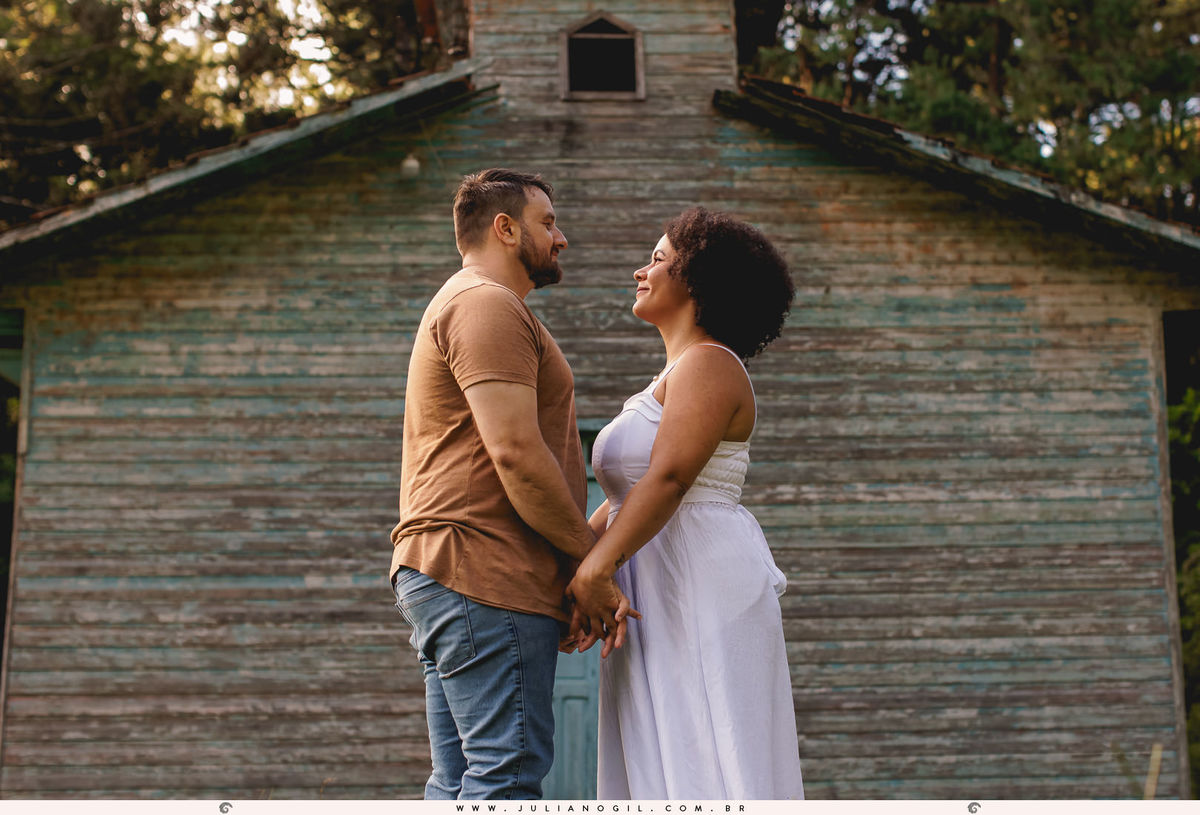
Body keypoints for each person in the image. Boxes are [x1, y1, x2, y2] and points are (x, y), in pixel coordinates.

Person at [390, 168, 616, 799]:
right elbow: (516, 453)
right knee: (505, 777)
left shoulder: (472, 303)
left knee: (460, 781)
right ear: (505, 228)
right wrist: (590, 563)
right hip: (483, 571)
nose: (561, 238)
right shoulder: (485, 304)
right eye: (549, 222)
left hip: (461, 573)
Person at [564, 207, 805, 799]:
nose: (640, 271)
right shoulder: (673, 373)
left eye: (657, 259)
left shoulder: (710, 363)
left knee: (703, 746)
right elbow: (624, 497)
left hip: (696, 578)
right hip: (656, 580)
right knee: (659, 753)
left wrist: (595, 571)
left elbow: (669, 478)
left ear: (698, 278)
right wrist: (575, 572)